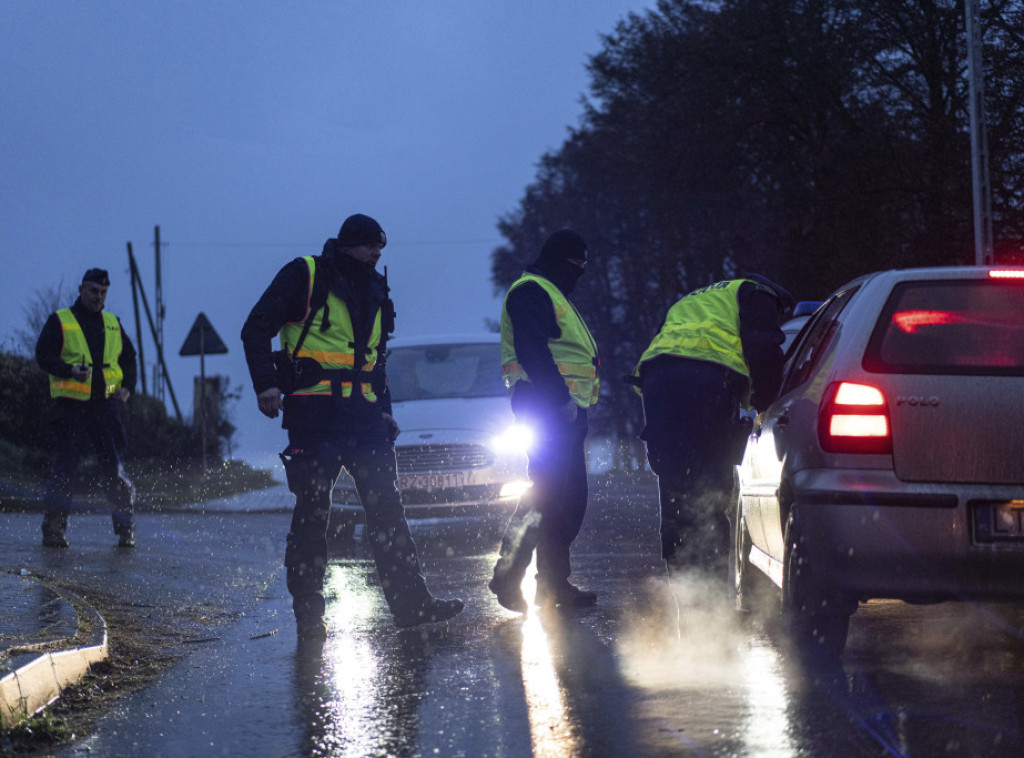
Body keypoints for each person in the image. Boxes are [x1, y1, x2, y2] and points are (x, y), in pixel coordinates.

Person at [241, 213, 464, 640]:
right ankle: (309, 613)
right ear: (346, 245)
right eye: (369, 246)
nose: (377, 253)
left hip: (365, 419)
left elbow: (376, 358)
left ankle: (412, 605)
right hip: (314, 416)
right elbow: (255, 328)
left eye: (381, 247)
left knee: (388, 511)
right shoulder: (305, 275)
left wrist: (385, 408)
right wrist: (265, 385)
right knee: (313, 515)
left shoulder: (377, 287)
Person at [631, 274, 793, 585]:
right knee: (711, 483)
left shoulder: (695, 299)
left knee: (676, 485)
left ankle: (684, 585)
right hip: (705, 379)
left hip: (657, 380)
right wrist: (765, 401)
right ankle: (712, 587)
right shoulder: (758, 294)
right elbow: (765, 351)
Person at [488, 229, 600, 613]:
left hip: (563, 407)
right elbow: (532, 350)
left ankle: (553, 585)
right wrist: (560, 399)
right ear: (559, 262)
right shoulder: (532, 291)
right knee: (549, 495)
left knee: (566, 497)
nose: (580, 275)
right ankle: (511, 577)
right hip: (548, 406)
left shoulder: (551, 292)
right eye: (576, 267)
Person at [36, 268, 138, 548]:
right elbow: (42, 355)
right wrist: (68, 370)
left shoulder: (112, 323)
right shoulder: (61, 320)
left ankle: (126, 530)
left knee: (115, 471)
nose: (98, 297)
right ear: (81, 289)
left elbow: (129, 357)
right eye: (93, 291)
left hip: (106, 407)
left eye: (104, 292)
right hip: (71, 408)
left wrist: (129, 386)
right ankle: (54, 530)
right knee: (65, 469)